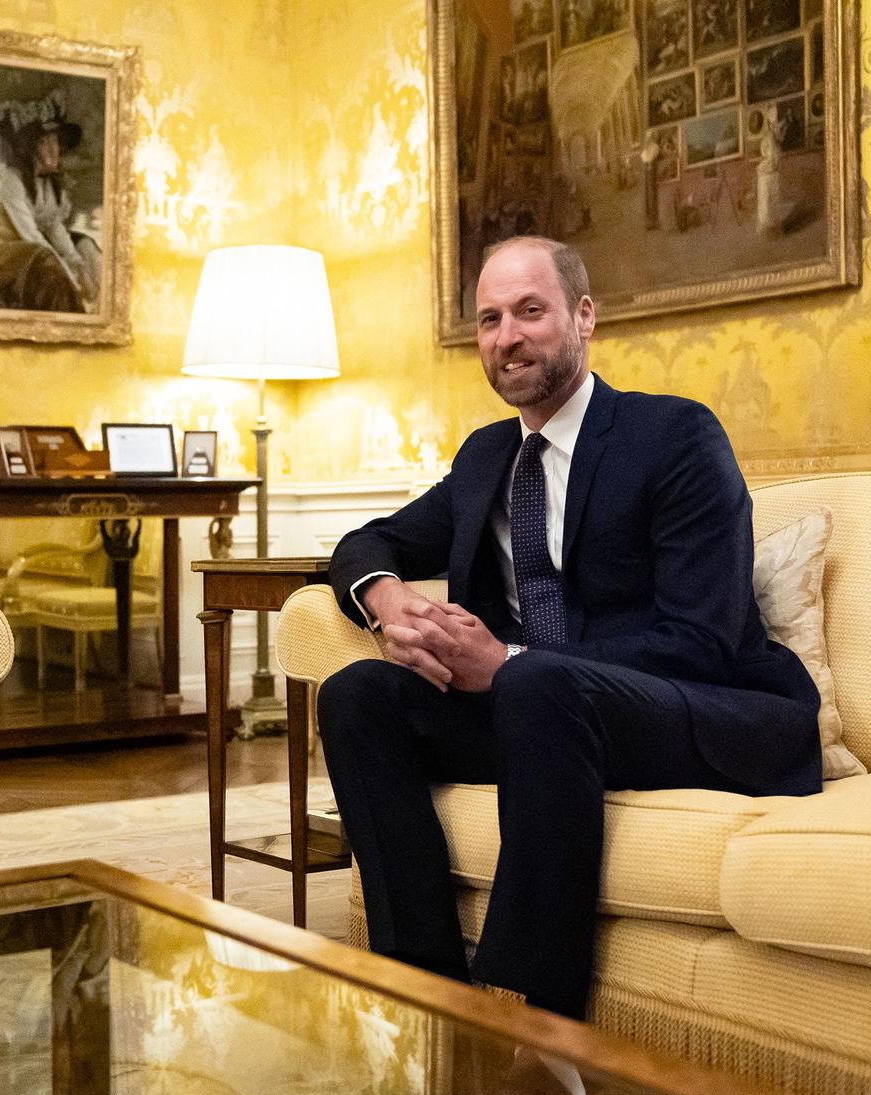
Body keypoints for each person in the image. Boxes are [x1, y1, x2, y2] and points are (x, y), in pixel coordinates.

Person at [318, 237, 819, 1021]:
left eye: (529, 311)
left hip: (694, 707)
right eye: (489, 319)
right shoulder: (487, 458)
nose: (507, 336)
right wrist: (386, 601)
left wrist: (508, 658)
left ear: (583, 317)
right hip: (541, 715)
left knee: (535, 680)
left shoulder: (675, 437)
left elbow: (703, 640)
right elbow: (367, 541)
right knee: (360, 695)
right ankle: (423, 995)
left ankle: (529, 1016)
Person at [0, 90, 102, 314]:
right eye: (45, 143)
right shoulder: (10, 181)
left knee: (85, 244)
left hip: (22, 242)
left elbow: (53, 225)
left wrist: (76, 262)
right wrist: (71, 279)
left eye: (55, 141)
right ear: (29, 148)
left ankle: (98, 305)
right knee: (43, 258)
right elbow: (32, 237)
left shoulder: (47, 183)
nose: (54, 149)